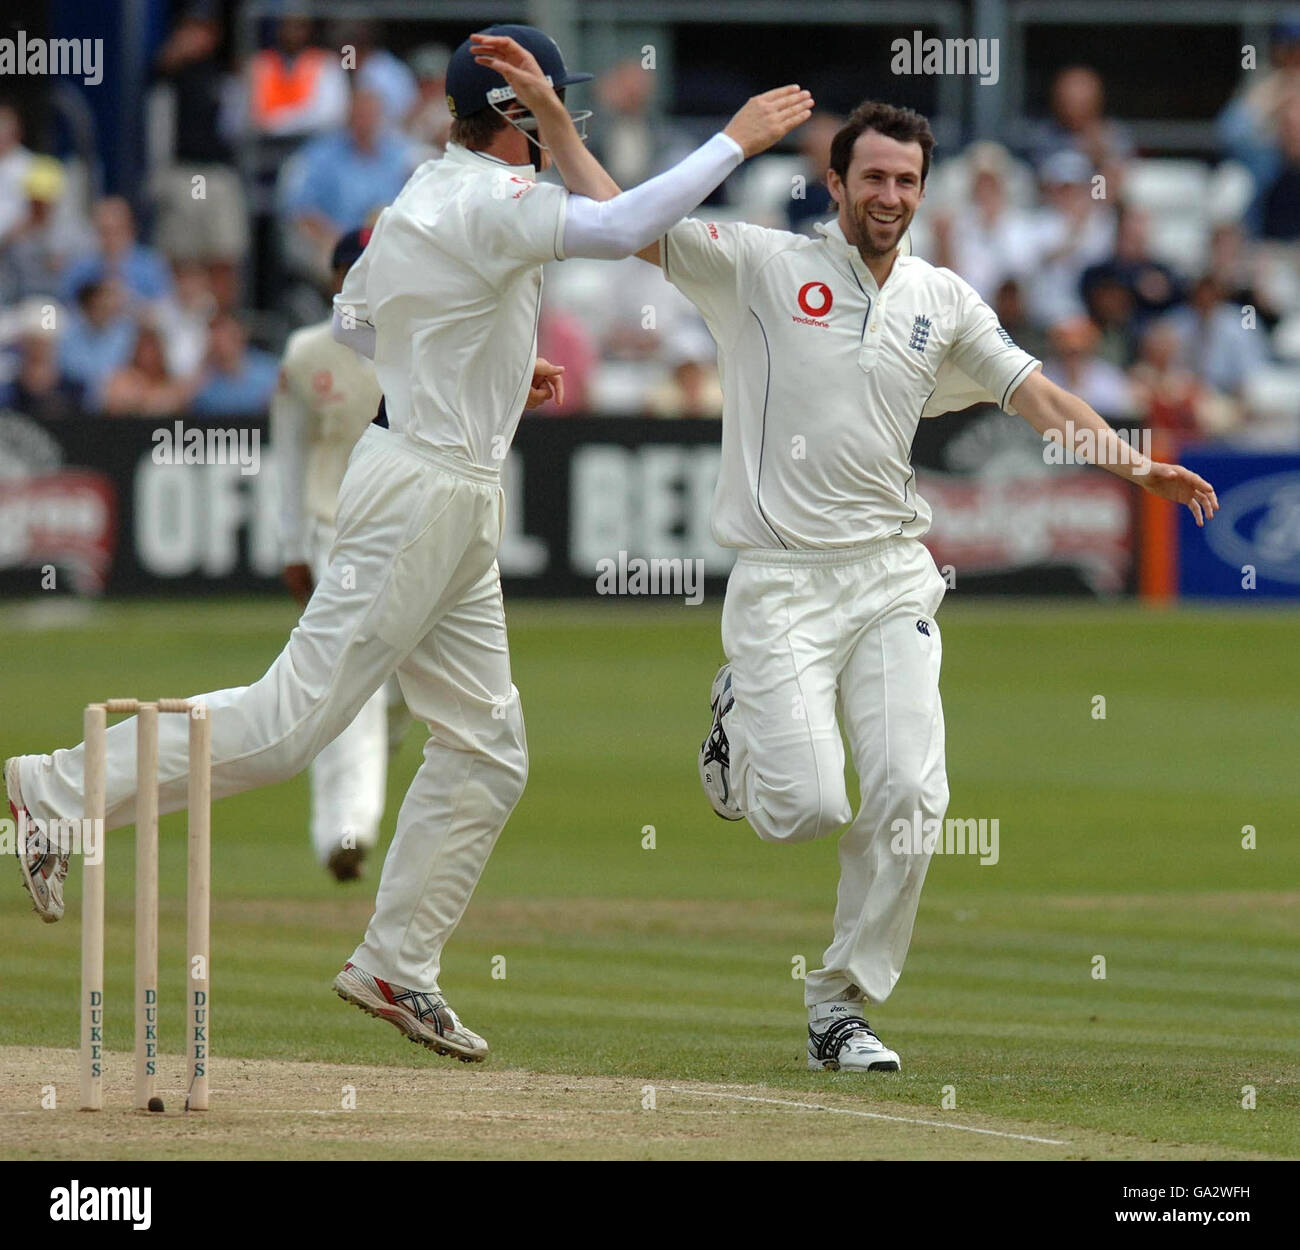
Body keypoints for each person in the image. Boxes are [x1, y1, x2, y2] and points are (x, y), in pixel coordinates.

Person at [6, 26, 811, 1064]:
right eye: (550, 101)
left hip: (445, 484)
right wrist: (736, 140)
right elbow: (622, 229)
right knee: (288, 725)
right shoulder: (486, 198)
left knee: (487, 748)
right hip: (423, 489)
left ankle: (395, 962)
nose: (562, 113)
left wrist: (483, 363)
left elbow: (360, 324)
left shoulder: (424, 192)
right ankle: (53, 791)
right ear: (515, 114)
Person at [635, 99, 1217, 1074]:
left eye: (906, 180)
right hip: (782, 580)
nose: (890, 194)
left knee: (911, 794)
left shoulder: (941, 298)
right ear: (836, 183)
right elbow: (627, 223)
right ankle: (739, 722)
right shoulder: (763, 266)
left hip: (890, 576)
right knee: (807, 808)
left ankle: (839, 1005)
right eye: (873, 176)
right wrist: (570, 129)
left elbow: (1038, 395)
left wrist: (1132, 464)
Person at [272, 227, 412, 880]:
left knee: (400, 687)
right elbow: (289, 453)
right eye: (351, 270)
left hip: (413, 528)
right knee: (352, 678)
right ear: (334, 279)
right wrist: (290, 544)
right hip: (335, 529)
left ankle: (364, 778)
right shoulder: (306, 354)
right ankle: (344, 831)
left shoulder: (415, 341)